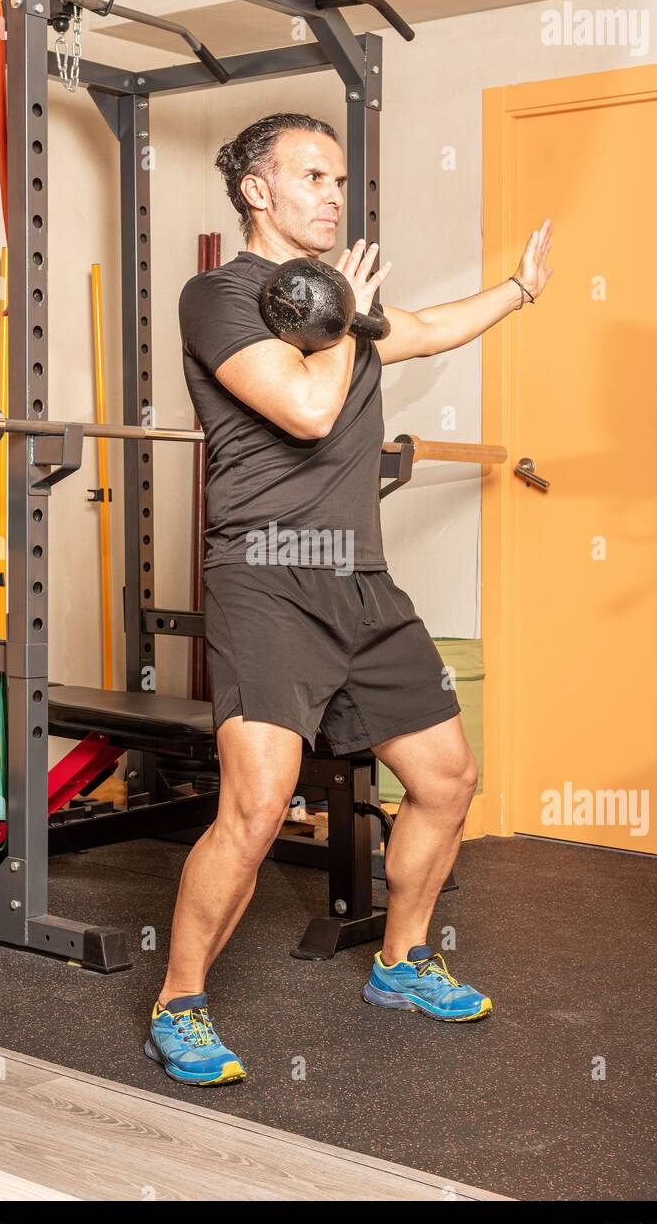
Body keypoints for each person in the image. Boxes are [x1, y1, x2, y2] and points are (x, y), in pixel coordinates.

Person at [144, 112, 553, 1085]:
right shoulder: (219, 297)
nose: (334, 194)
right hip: (268, 577)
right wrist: (344, 320)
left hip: (360, 580)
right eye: (313, 176)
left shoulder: (343, 305)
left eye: (339, 179)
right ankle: (180, 1000)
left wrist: (519, 289)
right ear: (256, 189)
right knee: (255, 808)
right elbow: (307, 405)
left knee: (450, 779)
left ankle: (401, 960)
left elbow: (422, 328)